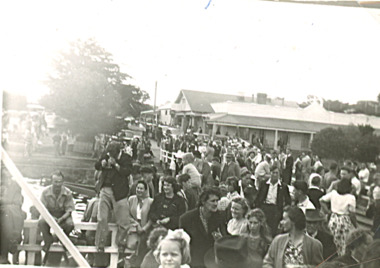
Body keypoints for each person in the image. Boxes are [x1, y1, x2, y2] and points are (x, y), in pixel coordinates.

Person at [94, 141, 133, 252]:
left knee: (124, 221)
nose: (110, 155)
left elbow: (127, 172)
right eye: (109, 153)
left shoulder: (126, 158)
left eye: (112, 154)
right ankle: (100, 244)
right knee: (102, 218)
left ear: (118, 152)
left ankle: (121, 243)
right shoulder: (106, 154)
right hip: (105, 189)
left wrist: (116, 164)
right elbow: (96, 166)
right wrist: (102, 164)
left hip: (119, 192)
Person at [179, 187, 227, 268]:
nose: (215, 204)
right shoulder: (186, 219)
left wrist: (221, 239)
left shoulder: (220, 216)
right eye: (212, 201)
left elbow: (225, 237)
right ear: (203, 201)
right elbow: (182, 243)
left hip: (213, 261)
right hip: (194, 261)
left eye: (217, 201)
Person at [320, 179, 358, 256]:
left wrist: (328, 211)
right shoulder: (351, 198)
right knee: (343, 242)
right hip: (344, 221)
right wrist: (356, 225)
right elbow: (352, 214)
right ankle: (340, 257)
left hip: (333, 219)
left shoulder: (333, 193)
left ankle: (329, 255)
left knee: (331, 239)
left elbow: (321, 200)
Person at [38, 171, 75, 252]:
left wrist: (61, 219)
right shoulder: (45, 192)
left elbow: (69, 210)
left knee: (70, 224)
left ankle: (63, 240)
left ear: (62, 182)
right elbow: (42, 209)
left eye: (60, 182)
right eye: (55, 182)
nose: (58, 184)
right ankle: (48, 240)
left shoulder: (67, 192)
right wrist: (51, 218)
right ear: (52, 181)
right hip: (49, 214)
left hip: (63, 215)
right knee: (41, 222)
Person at [255, 166, 291, 237]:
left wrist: (283, 210)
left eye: (276, 173)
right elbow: (258, 197)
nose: (274, 175)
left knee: (273, 228)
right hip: (264, 207)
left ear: (279, 174)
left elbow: (288, 200)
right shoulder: (264, 184)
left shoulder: (283, 187)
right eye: (273, 173)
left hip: (276, 209)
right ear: (270, 174)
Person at [0, 169, 25, 264]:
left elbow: (18, 201)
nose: (7, 180)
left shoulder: (15, 185)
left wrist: (5, 202)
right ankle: (12, 240)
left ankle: (4, 253)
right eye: (4, 177)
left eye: (9, 177)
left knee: (6, 216)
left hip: (9, 212)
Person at [128, 180, 154, 266]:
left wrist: (144, 228)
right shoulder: (131, 199)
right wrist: (136, 224)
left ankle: (138, 265)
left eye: (141, 188)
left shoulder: (151, 202)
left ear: (146, 190)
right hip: (133, 226)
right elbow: (127, 215)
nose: (139, 190)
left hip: (146, 228)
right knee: (131, 244)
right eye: (138, 188)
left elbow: (152, 218)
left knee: (143, 244)